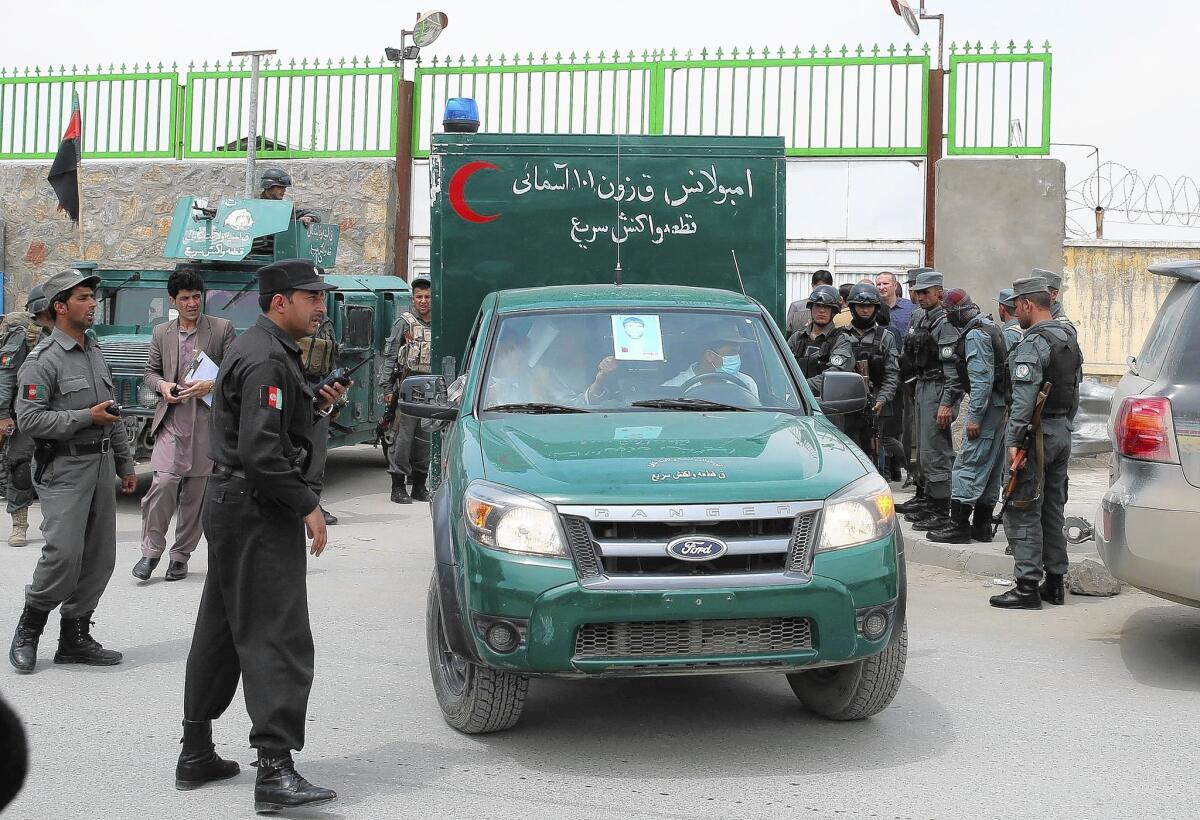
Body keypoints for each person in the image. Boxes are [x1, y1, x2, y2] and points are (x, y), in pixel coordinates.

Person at [177, 258, 345, 810]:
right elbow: (262, 452)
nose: (321, 308)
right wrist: (308, 505)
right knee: (277, 632)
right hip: (257, 507)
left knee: (223, 626)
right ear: (280, 302)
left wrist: (313, 406)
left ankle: (196, 752)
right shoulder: (267, 358)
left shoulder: (260, 350)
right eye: (312, 298)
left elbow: (268, 428)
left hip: (234, 504)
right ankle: (274, 769)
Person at [7, 269, 137, 673]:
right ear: (60, 308)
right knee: (63, 553)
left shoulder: (95, 352)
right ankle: (29, 628)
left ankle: (74, 637)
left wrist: (125, 462)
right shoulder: (41, 361)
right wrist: (85, 416)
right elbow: (30, 421)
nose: (92, 304)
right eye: (83, 298)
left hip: (99, 466)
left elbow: (110, 412)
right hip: (63, 467)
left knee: (100, 557)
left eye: (92, 297)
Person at [134, 268, 236, 582]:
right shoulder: (161, 332)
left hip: (207, 423)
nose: (192, 303)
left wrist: (212, 384)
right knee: (163, 484)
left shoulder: (221, 329)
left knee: (196, 493)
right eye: (185, 298)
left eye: (196, 297)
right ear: (173, 301)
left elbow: (237, 372)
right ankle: (151, 552)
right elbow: (149, 373)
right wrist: (162, 386)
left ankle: (180, 556)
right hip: (172, 420)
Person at [990, 275, 1083, 610]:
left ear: (1028, 303)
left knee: (1021, 506)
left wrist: (1015, 442)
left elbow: (1023, 401)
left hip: (1035, 436)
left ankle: (1027, 586)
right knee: (1052, 508)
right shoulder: (1069, 338)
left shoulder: (1033, 343)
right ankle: (1055, 582)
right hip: (1061, 432)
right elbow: (1074, 392)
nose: (1016, 312)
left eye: (1017, 306)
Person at [928, 289, 1010, 544]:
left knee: (968, 464)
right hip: (999, 408)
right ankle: (981, 526)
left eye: (949, 312)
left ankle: (959, 526)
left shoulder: (975, 335)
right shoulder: (990, 327)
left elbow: (981, 380)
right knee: (992, 466)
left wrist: (974, 417)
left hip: (985, 410)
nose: (947, 317)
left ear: (959, 311)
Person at [897, 270, 961, 532]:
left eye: (926, 292)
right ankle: (927, 501)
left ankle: (940, 508)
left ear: (939, 292)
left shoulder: (944, 321)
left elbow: (953, 370)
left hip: (938, 388)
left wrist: (947, 402)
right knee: (923, 449)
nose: (920, 297)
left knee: (936, 451)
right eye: (917, 292)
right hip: (922, 384)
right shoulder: (921, 316)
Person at [0, 285, 53, 548]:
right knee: (20, 467)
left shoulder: (71, 333)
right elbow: (7, 377)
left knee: (55, 469)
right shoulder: (23, 336)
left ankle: (53, 522)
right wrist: (2, 415)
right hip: (24, 415)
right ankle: (19, 524)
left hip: (56, 415)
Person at [380, 276, 432, 504]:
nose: (423, 301)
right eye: (419, 297)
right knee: (402, 438)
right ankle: (398, 486)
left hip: (431, 389)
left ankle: (420, 485)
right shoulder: (404, 323)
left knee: (426, 439)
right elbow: (391, 355)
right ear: (413, 298)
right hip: (407, 386)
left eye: (428, 297)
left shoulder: (439, 323)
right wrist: (387, 387)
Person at [841, 284, 900, 473]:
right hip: (845, 405)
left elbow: (892, 373)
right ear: (852, 307)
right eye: (860, 306)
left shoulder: (886, 337)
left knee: (874, 453)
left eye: (870, 306)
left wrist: (882, 399)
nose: (865, 310)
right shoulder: (841, 335)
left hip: (875, 404)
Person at [299, 317, 339, 525]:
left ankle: (313, 504)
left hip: (320, 389)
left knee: (317, 452)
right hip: (296, 388)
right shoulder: (290, 320)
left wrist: (337, 402)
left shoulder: (326, 324)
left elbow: (333, 360)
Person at [663, 324, 760, 400]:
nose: (737, 358)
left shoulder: (746, 384)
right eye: (732, 353)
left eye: (738, 353)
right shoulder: (674, 388)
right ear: (709, 356)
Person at [787, 285, 854, 395]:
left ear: (834, 311)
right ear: (811, 308)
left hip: (826, 403)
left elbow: (835, 375)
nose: (822, 311)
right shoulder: (797, 337)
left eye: (827, 307)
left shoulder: (841, 340)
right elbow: (781, 368)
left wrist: (799, 387)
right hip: (795, 400)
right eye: (818, 306)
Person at [251, 168, 321, 256]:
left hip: (279, 255)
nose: (284, 190)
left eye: (284, 187)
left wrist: (308, 217)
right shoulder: (252, 207)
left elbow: (316, 215)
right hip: (253, 255)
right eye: (280, 187)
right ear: (268, 186)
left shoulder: (285, 209)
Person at [786, 269, 834, 336]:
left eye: (825, 287)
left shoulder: (834, 307)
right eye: (819, 286)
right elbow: (788, 332)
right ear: (812, 285)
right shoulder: (796, 307)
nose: (821, 290)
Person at [1033, 267, 1077, 334]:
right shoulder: (1029, 319)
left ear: (1054, 294)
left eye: (1039, 291)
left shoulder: (1062, 328)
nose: (1032, 296)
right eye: (1032, 291)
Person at [875, 271, 916, 338]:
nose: (881, 287)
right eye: (879, 284)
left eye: (885, 283)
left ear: (895, 286)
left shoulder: (911, 307)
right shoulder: (872, 309)